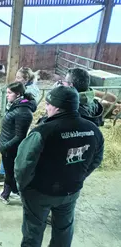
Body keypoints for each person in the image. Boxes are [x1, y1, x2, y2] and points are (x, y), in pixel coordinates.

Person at [14, 86, 104, 247]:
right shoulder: (93, 130)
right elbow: (96, 159)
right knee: (64, 230)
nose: (46, 108)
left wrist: (23, 187)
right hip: (71, 191)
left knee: (33, 232)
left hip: (40, 192)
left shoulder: (43, 131)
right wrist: (78, 176)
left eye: (48, 104)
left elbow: (23, 164)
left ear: (56, 106)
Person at [0, 67, 41, 186]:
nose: (16, 79)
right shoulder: (23, 96)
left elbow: (19, 134)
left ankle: (5, 177)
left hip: (15, 127)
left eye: (18, 77)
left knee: (10, 152)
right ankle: (7, 179)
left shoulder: (26, 98)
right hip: (13, 125)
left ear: (25, 79)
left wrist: (4, 145)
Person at [0, 82, 37, 204]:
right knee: (10, 171)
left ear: (17, 94)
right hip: (7, 145)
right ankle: (13, 192)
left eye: (9, 93)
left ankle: (6, 195)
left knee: (10, 172)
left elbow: (20, 136)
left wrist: (5, 146)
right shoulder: (17, 106)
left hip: (11, 148)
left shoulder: (23, 112)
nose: (6, 95)